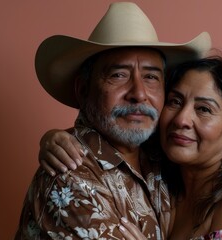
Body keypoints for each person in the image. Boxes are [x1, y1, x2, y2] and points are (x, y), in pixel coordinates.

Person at [39, 57, 222, 239]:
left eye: (204, 109)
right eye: (175, 101)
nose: (182, 119)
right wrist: (54, 138)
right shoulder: (160, 180)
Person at [15, 2, 211, 239]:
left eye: (151, 77)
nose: (139, 93)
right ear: (83, 89)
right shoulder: (68, 173)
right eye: (118, 75)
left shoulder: (163, 152)